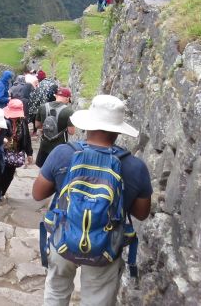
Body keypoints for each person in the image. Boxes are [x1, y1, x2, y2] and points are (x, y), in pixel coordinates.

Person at [32, 95, 153, 306]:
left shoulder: (63, 154)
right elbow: (142, 213)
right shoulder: (134, 167)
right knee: (96, 300)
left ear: (88, 124)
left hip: (64, 236)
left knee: (56, 290)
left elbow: (37, 194)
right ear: (118, 130)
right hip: (105, 245)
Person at [0, 99, 33, 202]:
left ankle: (1, 191)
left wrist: (29, 153)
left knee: (9, 175)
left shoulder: (23, 121)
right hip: (1, 151)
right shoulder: (1, 120)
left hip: (15, 152)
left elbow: (27, 137)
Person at [35, 87, 76, 167]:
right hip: (60, 147)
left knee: (43, 169)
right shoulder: (69, 111)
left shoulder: (43, 107)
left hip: (44, 145)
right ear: (67, 98)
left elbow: (37, 125)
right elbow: (71, 132)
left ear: (56, 96)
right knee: (56, 170)